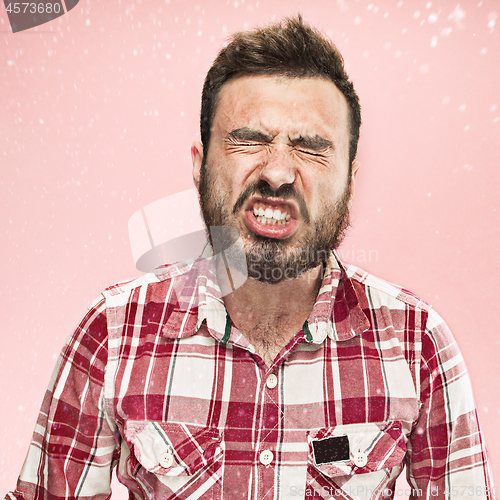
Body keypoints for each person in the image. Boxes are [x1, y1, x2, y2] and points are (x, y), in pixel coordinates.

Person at [6, 15, 495, 500]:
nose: (278, 173)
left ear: (350, 178)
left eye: (311, 148)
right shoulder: (112, 333)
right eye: (250, 140)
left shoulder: (419, 345)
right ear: (200, 166)